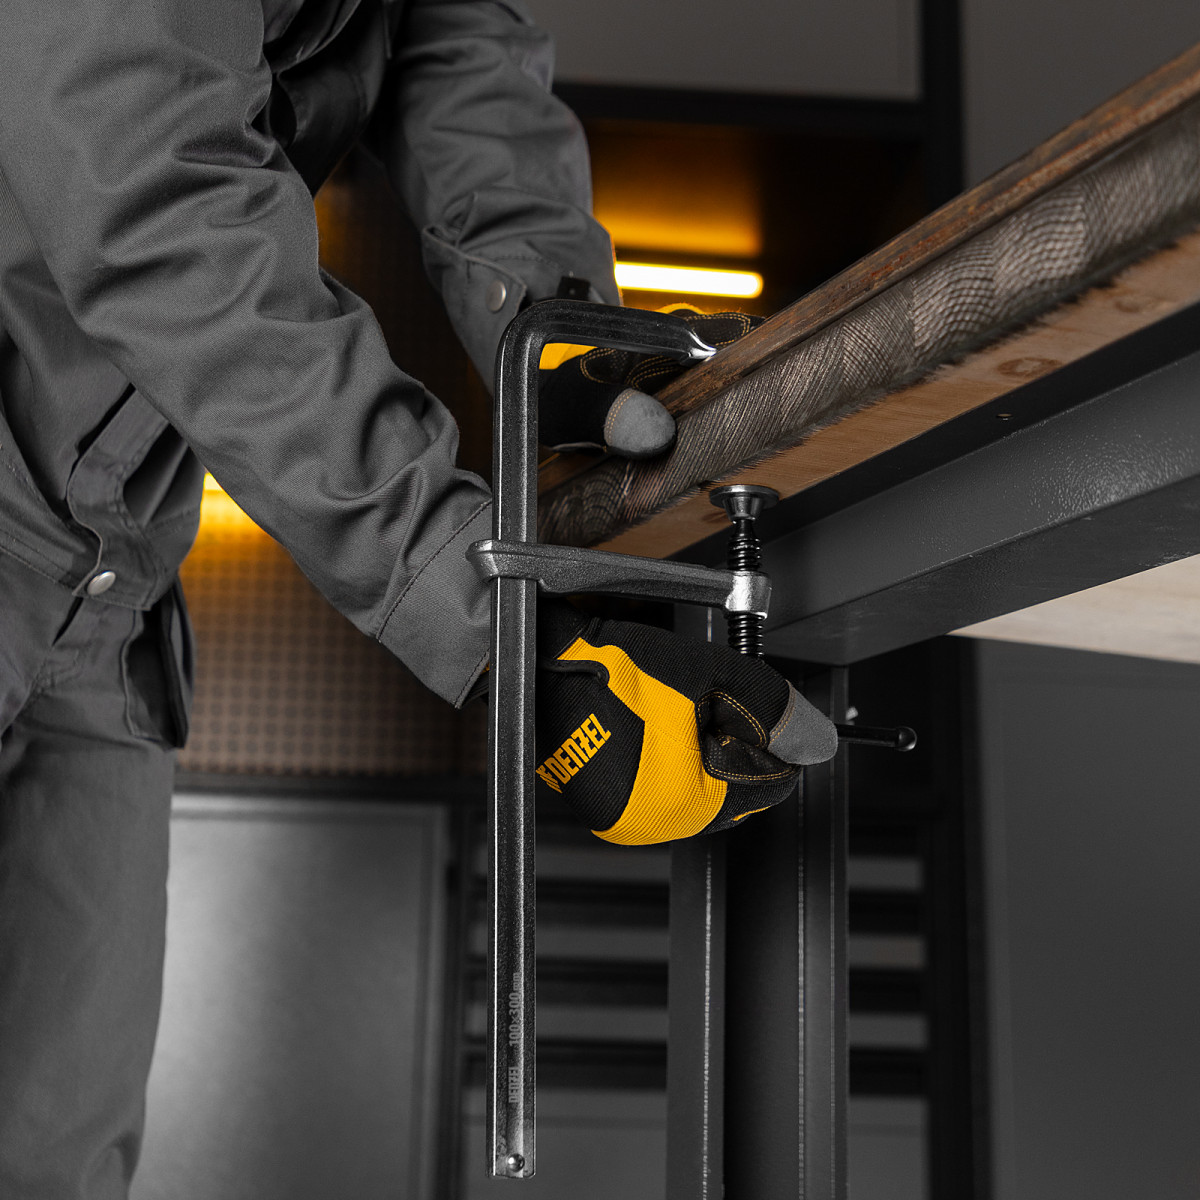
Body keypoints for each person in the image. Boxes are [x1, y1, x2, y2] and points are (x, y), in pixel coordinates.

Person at [0, 0, 837, 1193]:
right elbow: (154, 191)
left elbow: (458, 41)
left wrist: (552, 325)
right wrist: (495, 627)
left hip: (105, 594)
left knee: (54, 1156)